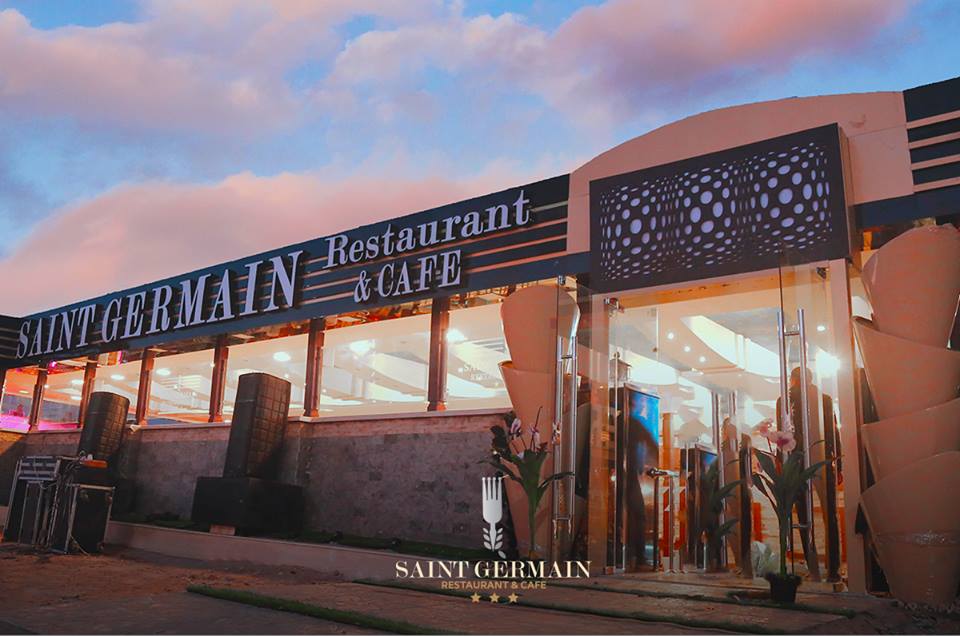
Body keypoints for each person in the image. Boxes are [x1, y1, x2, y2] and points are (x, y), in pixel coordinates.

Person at [775, 367, 843, 582]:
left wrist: (780, 463)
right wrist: (838, 464)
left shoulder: (785, 400)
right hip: (822, 459)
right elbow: (833, 431)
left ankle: (813, 569)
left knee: (804, 517)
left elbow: (783, 436)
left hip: (797, 463)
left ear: (793, 380)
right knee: (830, 515)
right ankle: (833, 569)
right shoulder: (824, 399)